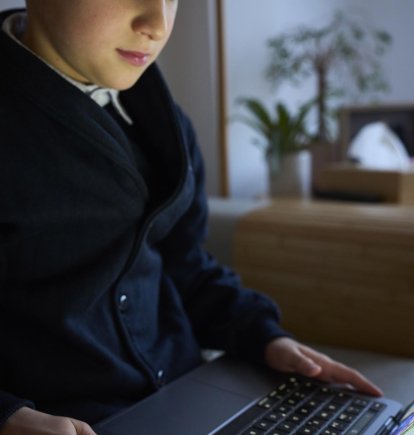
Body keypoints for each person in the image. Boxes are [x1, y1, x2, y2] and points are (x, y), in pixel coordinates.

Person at [0, 1, 382, 434]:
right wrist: (9, 416)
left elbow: (186, 267)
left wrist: (266, 337)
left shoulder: (160, 118)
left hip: (187, 400)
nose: (158, 24)